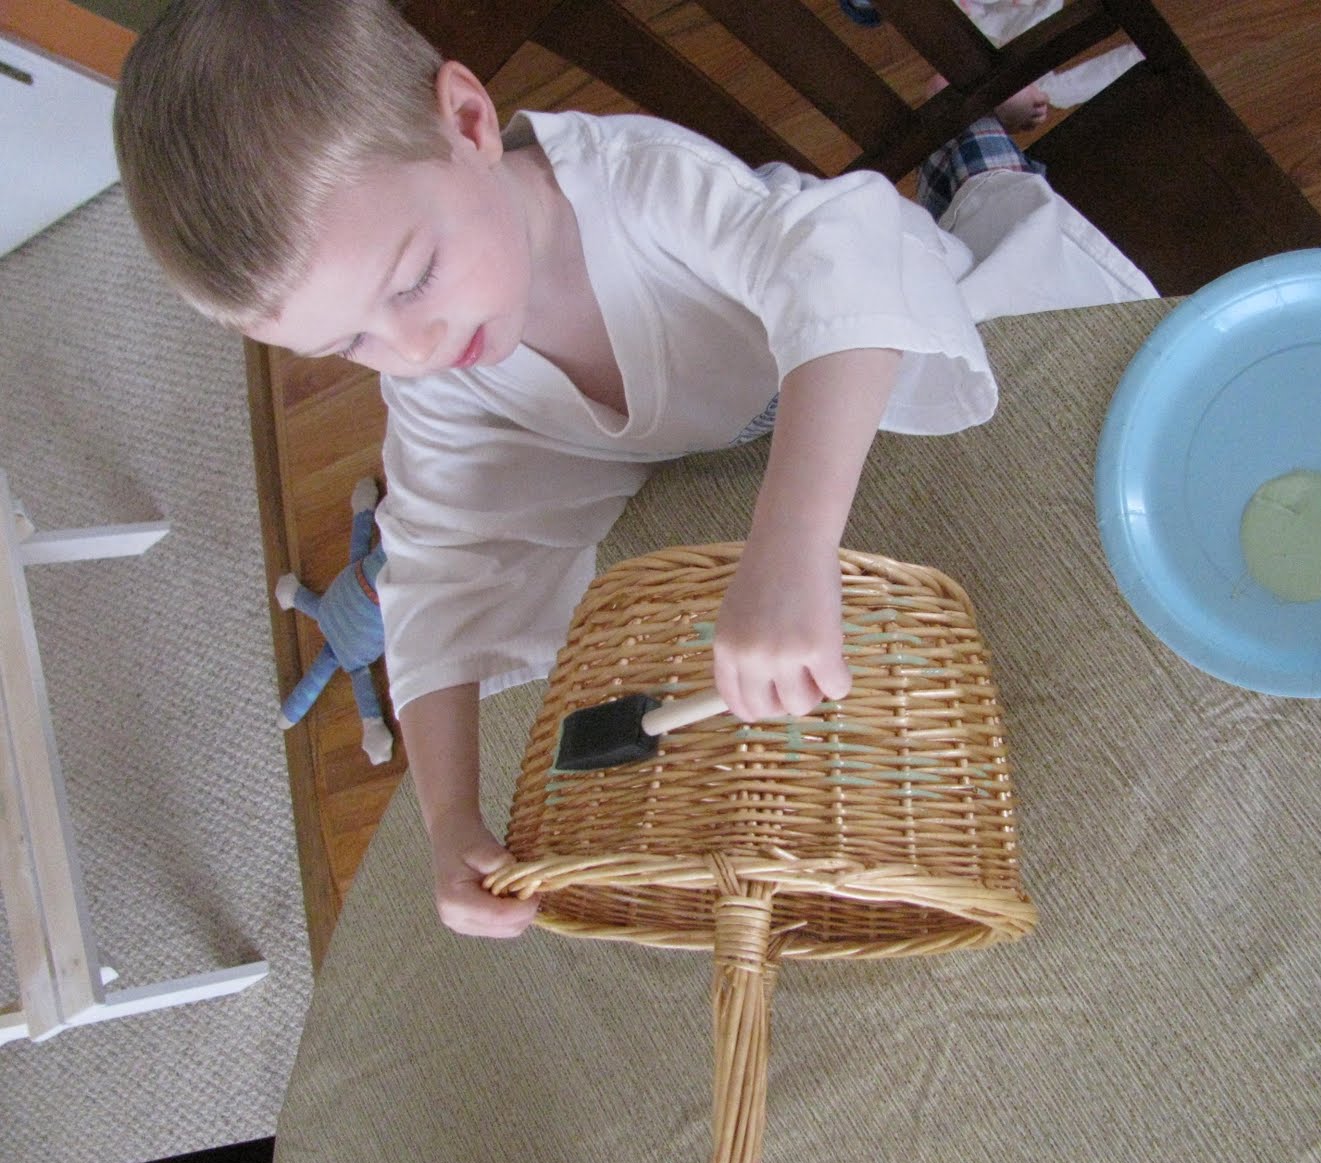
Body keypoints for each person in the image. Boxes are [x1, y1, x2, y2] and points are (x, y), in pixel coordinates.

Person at [114, 0, 1152, 940]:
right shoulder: (437, 376)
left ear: (470, 124)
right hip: (732, 434)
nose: (414, 345)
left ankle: (976, 146)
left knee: (1020, 310)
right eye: (350, 344)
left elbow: (847, 264)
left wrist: (787, 548)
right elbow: (433, 567)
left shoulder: (643, 189)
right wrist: (448, 818)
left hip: (852, 344)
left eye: (415, 278)